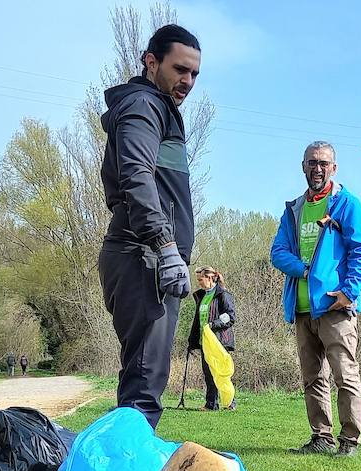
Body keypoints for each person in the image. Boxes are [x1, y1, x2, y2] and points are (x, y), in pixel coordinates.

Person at [96, 23, 200, 429]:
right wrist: (164, 245)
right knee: (144, 384)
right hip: (143, 256)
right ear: (151, 62)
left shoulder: (156, 109)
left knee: (142, 378)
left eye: (194, 74)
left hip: (146, 256)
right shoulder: (144, 105)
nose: (187, 81)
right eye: (179, 69)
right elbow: (136, 175)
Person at [270, 140, 361, 457]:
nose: (317, 168)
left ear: (334, 168)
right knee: (313, 377)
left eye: (323, 163)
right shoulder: (294, 209)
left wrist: (348, 292)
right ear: (303, 166)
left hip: (335, 307)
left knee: (344, 375)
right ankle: (321, 438)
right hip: (302, 308)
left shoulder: (348, 205)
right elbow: (278, 252)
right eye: (312, 162)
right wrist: (303, 269)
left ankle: (350, 442)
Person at [186, 266, 237, 410]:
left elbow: (230, 316)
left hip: (220, 341)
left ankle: (229, 402)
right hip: (205, 342)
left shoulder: (222, 295)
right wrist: (192, 340)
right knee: (208, 373)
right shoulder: (202, 296)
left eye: (200, 279)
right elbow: (198, 320)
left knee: (220, 372)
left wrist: (213, 324)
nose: (199, 283)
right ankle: (211, 403)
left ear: (209, 278)